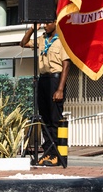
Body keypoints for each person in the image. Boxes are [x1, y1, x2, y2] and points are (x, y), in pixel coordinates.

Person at [20, 21, 70, 166]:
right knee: (44, 119)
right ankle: (48, 151)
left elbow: (66, 65)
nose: (45, 26)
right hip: (43, 79)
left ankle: (56, 154)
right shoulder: (41, 38)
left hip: (55, 80)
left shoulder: (62, 40)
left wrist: (60, 89)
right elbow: (23, 43)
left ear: (55, 22)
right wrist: (32, 29)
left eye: (48, 23)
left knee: (54, 118)